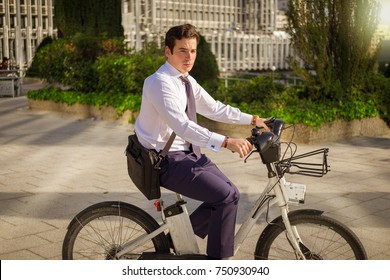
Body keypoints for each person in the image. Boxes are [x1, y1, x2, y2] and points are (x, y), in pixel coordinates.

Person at [134, 23, 269, 259]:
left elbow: (214, 109)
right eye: (182, 51)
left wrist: (255, 119)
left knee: (232, 194)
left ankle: (177, 237)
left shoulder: (186, 80)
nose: (189, 57)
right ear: (168, 52)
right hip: (164, 161)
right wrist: (227, 141)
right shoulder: (159, 83)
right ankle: (218, 263)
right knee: (225, 197)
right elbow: (184, 127)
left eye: (193, 51)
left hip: (186, 155)